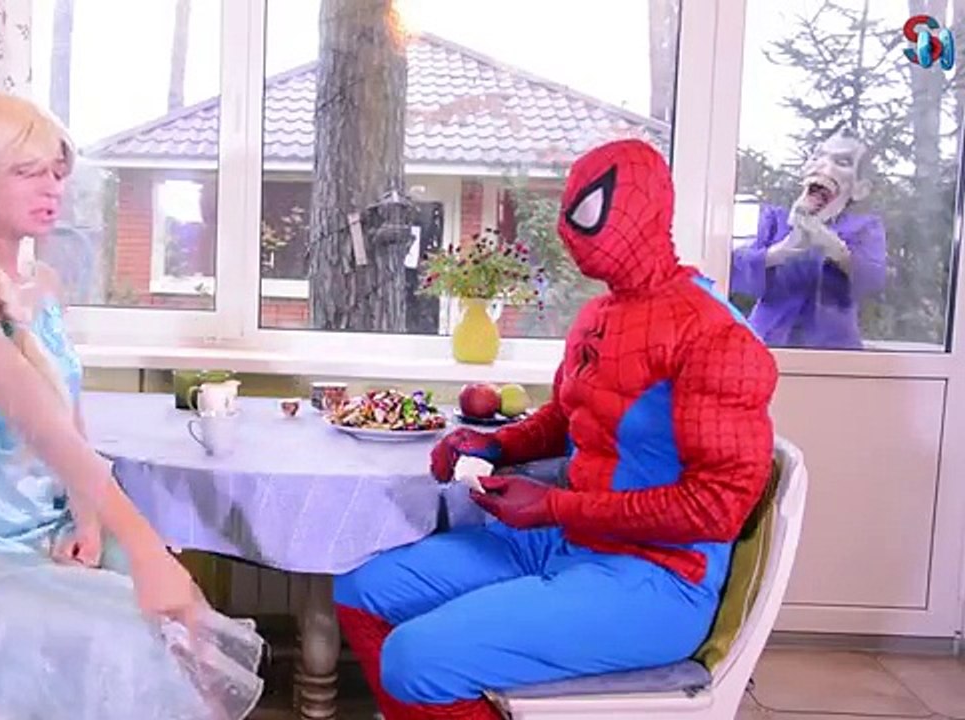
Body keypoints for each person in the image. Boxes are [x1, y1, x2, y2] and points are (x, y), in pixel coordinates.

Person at [0, 93, 265, 720]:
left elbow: (68, 416)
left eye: (57, 172)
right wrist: (142, 546)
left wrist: (88, 521)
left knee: (183, 625)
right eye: (26, 171)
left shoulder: (44, 285)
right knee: (121, 636)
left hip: (45, 520)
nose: (52, 188)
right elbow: (38, 422)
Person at [333, 139, 779, 720]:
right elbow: (568, 415)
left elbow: (717, 509)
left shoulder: (716, 335)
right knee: (360, 589)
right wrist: (494, 444)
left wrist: (552, 507)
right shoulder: (601, 314)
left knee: (414, 659)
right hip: (565, 541)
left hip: (657, 577)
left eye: (586, 211)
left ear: (644, 209)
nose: (569, 231)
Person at [730, 128, 887, 349]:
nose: (824, 166)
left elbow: (873, 281)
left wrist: (834, 249)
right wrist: (779, 252)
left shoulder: (864, 228)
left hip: (833, 352)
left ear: (860, 189)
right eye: (817, 157)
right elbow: (733, 273)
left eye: (842, 162)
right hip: (765, 344)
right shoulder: (775, 219)